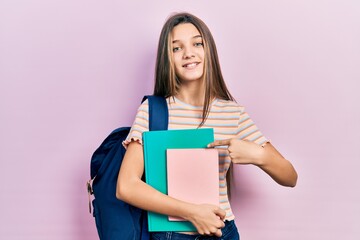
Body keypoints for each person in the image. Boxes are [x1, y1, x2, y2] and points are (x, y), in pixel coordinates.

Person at [116, 12, 298, 240]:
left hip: (223, 231)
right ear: (167, 58)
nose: (188, 53)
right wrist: (192, 213)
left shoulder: (233, 113)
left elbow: (290, 177)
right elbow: (126, 186)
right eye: (176, 48)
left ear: (208, 49)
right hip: (173, 234)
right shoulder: (153, 111)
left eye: (197, 43)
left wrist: (258, 155)